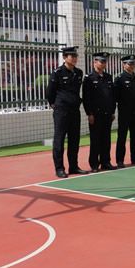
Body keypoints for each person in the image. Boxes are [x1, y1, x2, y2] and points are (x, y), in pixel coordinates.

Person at [46, 46, 88, 178]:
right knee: (59, 140)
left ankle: (73, 166)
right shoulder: (57, 73)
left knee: (74, 139)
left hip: (74, 110)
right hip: (61, 111)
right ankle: (59, 168)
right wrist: (55, 104)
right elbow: (50, 92)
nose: (74, 58)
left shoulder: (79, 73)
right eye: (72, 56)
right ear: (65, 57)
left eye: (76, 56)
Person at [82, 52, 116, 172]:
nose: (103, 64)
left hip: (107, 113)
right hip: (95, 114)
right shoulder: (89, 78)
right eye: (101, 61)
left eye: (104, 61)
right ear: (94, 62)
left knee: (106, 139)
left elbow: (112, 96)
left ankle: (106, 162)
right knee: (95, 140)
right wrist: (89, 113)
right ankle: (94, 164)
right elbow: (86, 98)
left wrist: (112, 111)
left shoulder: (108, 77)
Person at [114, 54, 135, 168]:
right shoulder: (119, 79)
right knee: (122, 137)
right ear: (124, 65)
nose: (132, 66)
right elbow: (116, 96)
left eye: (133, 64)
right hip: (125, 112)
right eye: (130, 64)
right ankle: (120, 160)